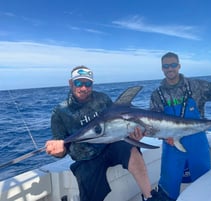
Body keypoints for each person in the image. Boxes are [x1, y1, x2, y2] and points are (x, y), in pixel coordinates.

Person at [45, 65, 161, 201]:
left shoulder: (103, 99)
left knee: (132, 150)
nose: (83, 88)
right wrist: (57, 151)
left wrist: (133, 134)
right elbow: (61, 147)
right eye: (79, 83)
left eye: (88, 84)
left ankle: (149, 196)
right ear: (71, 83)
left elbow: (119, 123)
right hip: (86, 159)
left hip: (110, 146)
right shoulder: (60, 112)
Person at [149, 52, 211, 200]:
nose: (170, 69)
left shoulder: (195, 86)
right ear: (162, 68)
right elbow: (154, 123)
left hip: (198, 144)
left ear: (179, 66)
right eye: (166, 66)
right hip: (171, 147)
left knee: (204, 187)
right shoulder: (157, 95)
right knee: (167, 192)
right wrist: (163, 136)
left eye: (173, 65)